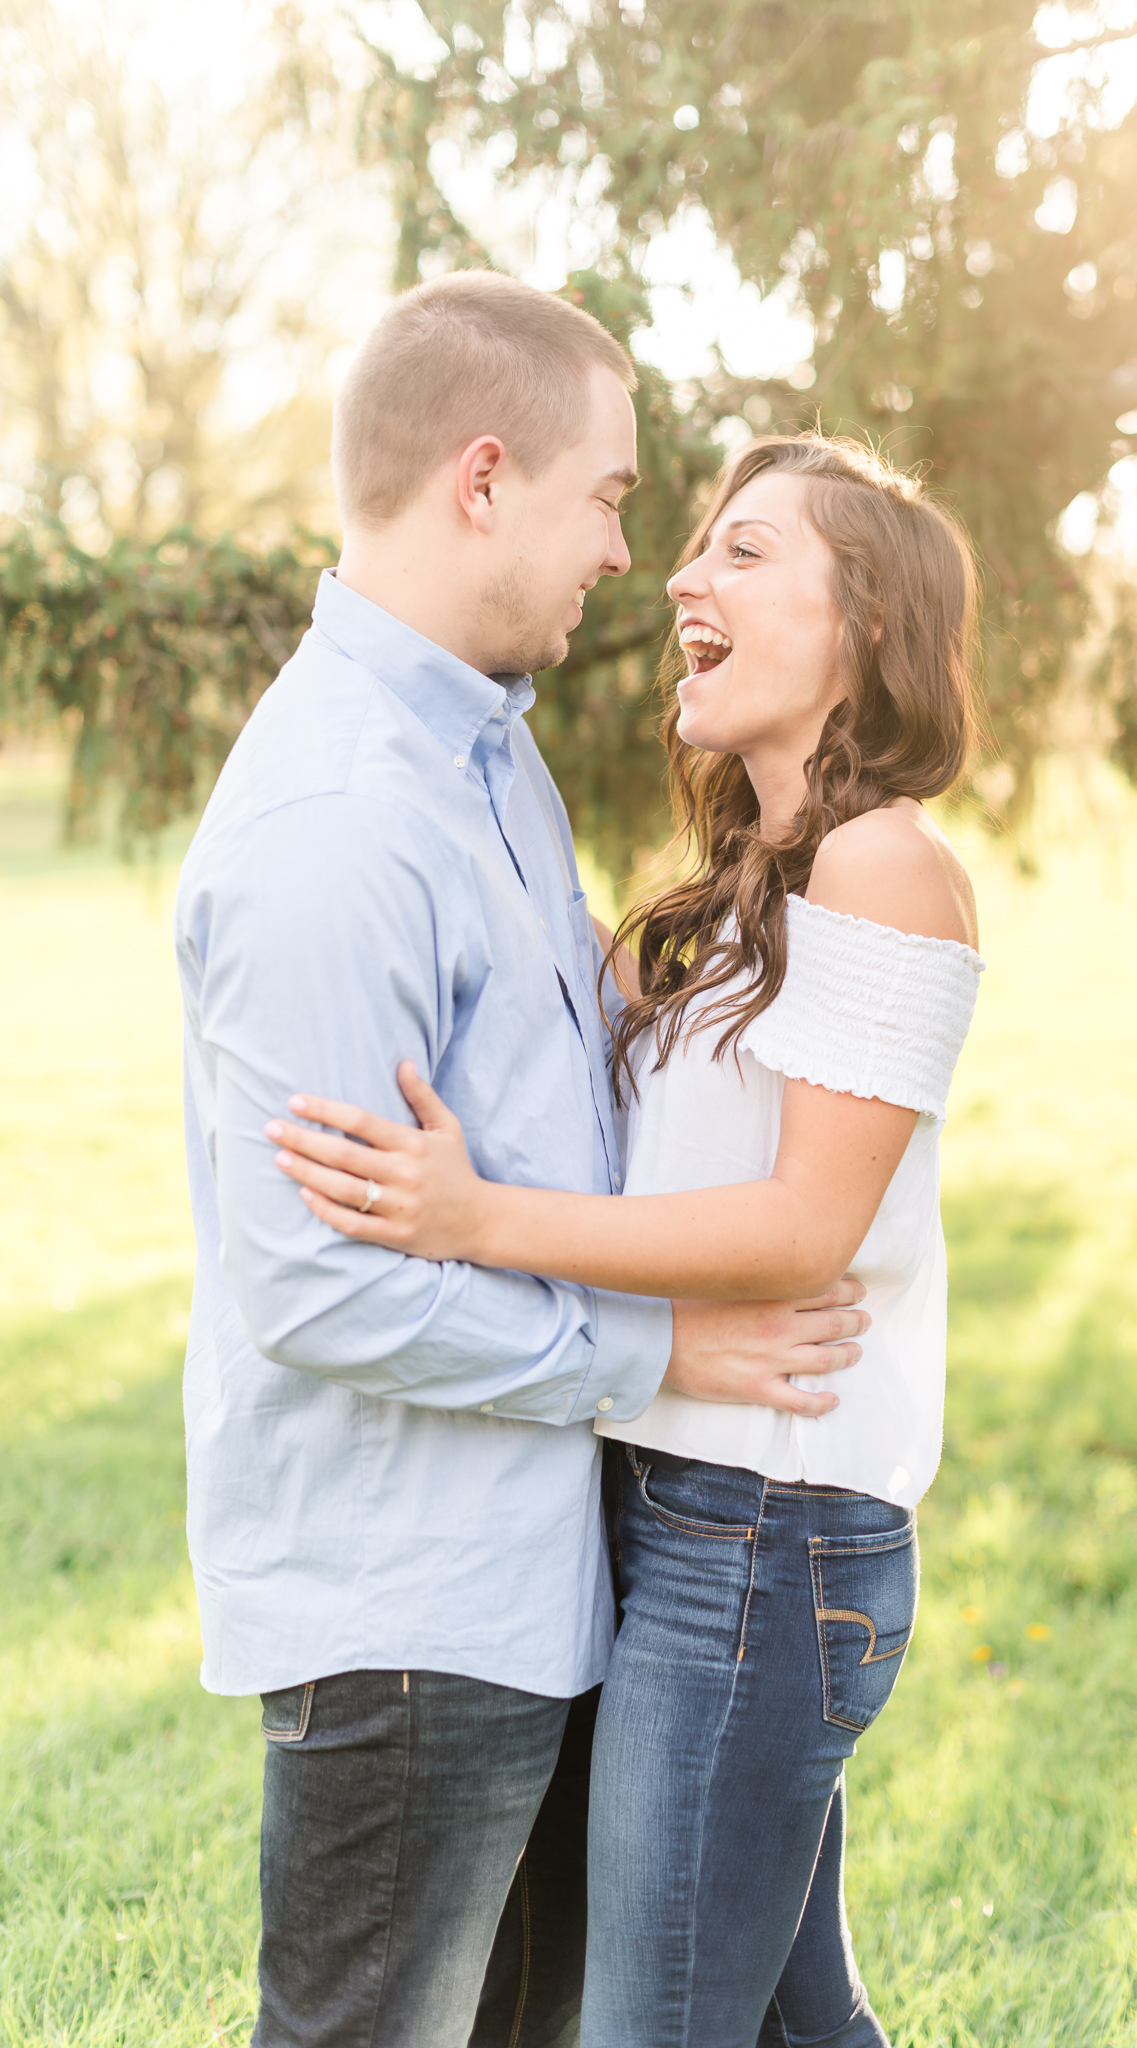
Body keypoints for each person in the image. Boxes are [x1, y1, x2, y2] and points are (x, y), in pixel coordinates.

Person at [173, 276, 869, 2048]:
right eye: (614, 498)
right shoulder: (340, 823)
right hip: (408, 1613)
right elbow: (324, 1285)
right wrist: (652, 1352)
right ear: (484, 479)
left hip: (535, 1578)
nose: (629, 556)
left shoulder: (488, 755)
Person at [271, 431, 985, 2047]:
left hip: (767, 1537)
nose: (679, 575)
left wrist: (472, 1220)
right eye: (691, 546)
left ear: (860, 626)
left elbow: (807, 1224)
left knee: (650, 2025)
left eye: (745, 551)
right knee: (801, 2024)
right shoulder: (750, 894)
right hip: (681, 1513)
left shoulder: (888, 867)